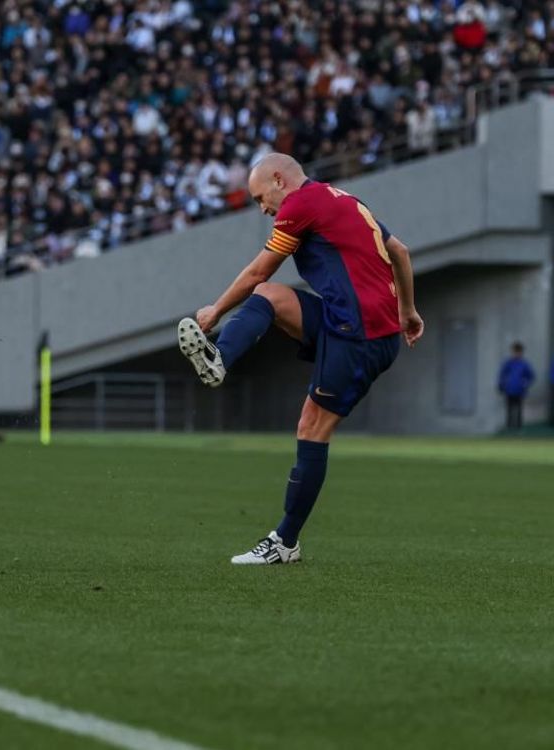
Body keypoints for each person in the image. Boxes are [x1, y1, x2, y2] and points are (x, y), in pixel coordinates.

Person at [177, 152, 424, 565]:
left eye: (260, 197)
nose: (262, 208)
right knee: (268, 297)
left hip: (360, 335)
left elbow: (259, 269)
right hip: (347, 321)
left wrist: (215, 310)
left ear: (279, 180)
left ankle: (285, 543)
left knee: (312, 426)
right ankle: (219, 356)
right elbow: (399, 250)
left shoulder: (300, 205)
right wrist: (409, 311)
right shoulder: (342, 198)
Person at [497, 342, 534, 431]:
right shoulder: (508, 363)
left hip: (520, 390)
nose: (516, 353)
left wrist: (525, 384)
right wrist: (501, 385)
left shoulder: (524, 364)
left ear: (521, 352)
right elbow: (502, 375)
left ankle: (518, 428)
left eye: (518, 351)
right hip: (509, 390)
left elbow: (531, 376)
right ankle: (509, 427)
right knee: (509, 409)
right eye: (514, 351)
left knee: (519, 409)